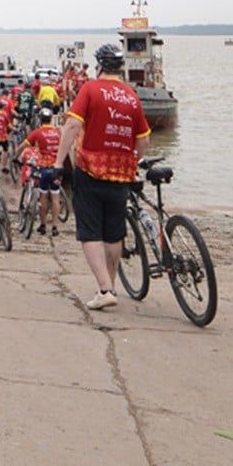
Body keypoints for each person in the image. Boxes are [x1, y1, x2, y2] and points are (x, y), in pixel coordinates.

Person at [57, 43, 150, 310]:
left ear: (99, 66)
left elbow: (73, 124)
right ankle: (109, 285)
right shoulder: (132, 96)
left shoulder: (90, 88)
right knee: (113, 233)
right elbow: (143, 140)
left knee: (90, 231)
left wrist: (57, 161)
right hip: (121, 175)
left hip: (91, 170)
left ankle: (105, 288)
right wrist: (133, 160)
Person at [21, 107, 64, 235]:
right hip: (57, 169)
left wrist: (15, 156)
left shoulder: (37, 132)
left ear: (40, 119)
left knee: (43, 197)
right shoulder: (58, 133)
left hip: (44, 168)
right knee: (56, 198)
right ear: (51, 119)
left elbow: (24, 146)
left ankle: (43, 225)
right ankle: (55, 227)